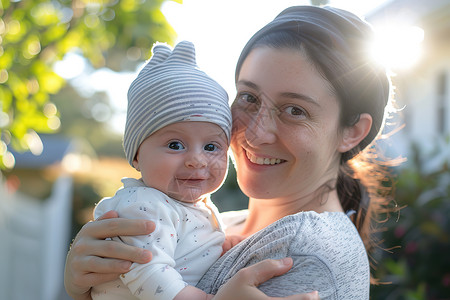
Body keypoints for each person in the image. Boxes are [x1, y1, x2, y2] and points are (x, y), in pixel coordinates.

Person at [65, 5, 395, 300]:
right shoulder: (217, 225)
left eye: (295, 110)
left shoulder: (309, 255)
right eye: (249, 98)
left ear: (352, 131)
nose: (256, 132)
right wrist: (87, 288)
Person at [91, 40, 235, 300]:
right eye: (175, 144)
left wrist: (225, 246)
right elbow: (150, 274)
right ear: (136, 156)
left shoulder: (191, 207)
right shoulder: (143, 206)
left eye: (212, 146)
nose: (197, 160)